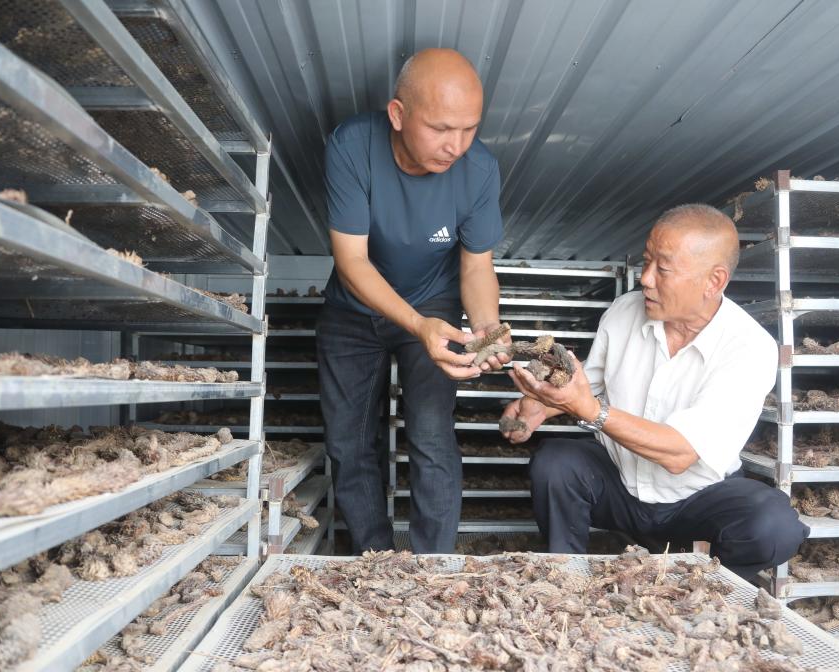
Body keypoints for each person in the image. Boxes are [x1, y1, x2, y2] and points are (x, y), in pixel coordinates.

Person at [501, 203, 808, 581]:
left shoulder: (749, 347)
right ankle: (565, 581)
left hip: (697, 501)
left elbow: (680, 454)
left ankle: (705, 593)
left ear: (713, 281)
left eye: (663, 269)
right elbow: (589, 385)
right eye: (647, 262)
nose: (645, 278)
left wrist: (589, 410)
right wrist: (539, 405)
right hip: (620, 485)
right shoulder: (623, 312)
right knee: (555, 463)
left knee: (773, 525)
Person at [317, 48, 509, 554]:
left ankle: (433, 568)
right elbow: (352, 261)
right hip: (353, 309)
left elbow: (477, 266)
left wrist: (487, 327)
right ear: (398, 115)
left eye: (469, 129)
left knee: (431, 434)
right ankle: (374, 561)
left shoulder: (480, 169)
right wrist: (416, 325)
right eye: (441, 128)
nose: (456, 146)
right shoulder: (352, 146)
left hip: (434, 304)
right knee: (349, 442)